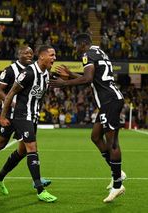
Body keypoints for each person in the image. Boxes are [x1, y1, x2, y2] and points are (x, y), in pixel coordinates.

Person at [50, 33, 126, 203]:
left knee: (112, 142)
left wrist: (65, 83)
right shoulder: (99, 52)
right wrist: (70, 74)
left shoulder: (87, 55)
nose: (75, 49)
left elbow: (88, 78)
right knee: (95, 136)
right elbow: (92, 80)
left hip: (110, 102)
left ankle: (118, 184)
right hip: (109, 100)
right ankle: (118, 172)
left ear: (83, 44)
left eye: (76, 46)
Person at [0, 46, 51, 188]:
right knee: (1, 144)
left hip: (25, 115)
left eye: (31, 53)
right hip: (11, 114)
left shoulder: (35, 70)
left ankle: (35, 179)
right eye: (26, 53)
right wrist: (11, 105)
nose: (29, 55)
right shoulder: (10, 70)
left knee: (26, 148)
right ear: (19, 54)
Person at [0, 45, 57, 202]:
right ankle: (40, 190)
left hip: (33, 116)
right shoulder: (28, 73)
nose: (54, 58)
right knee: (32, 149)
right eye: (52, 55)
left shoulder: (46, 75)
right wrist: (2, 117)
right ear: (41, 57)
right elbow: (9, 95)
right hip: (22, 115)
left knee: (22, 151)